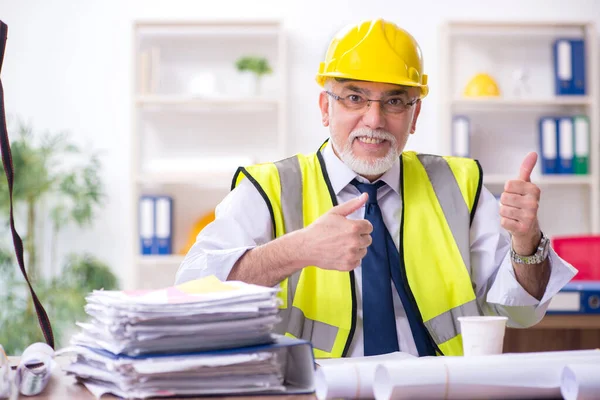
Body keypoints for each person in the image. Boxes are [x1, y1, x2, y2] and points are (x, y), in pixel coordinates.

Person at [175, 18, 576, 358]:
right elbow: (191, 296)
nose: (375, 119)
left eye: (395, 101)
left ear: (414, 115)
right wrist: (297, 250)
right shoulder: (270, 188)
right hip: (313, 392)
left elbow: (521, 312)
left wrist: (527, 244)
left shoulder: (459, 184)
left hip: (440, 390)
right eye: (354, 97)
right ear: (325, 107)